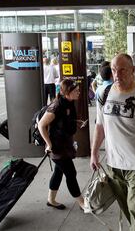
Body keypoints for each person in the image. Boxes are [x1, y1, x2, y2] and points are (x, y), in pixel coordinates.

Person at [90, 53, 135, 231]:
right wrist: (94, 153)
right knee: (125, 205)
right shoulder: (103, 93)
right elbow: (100, 126)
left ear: (132, 70)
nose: (117, 74)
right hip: (114, 163)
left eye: (122, 70)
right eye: (114, 70)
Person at [38, 79, 85, 210]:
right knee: (71, 173)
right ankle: (82, 202)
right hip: (56, 147)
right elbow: (41, 125)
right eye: (76, 91)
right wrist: (48, 144)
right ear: (67, 93)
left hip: (65, 145)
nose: (79, 92)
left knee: (59, 172)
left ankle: (51, 200)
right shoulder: (56, 106)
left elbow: (63, 121)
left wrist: (75, 123)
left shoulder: (69, 103)